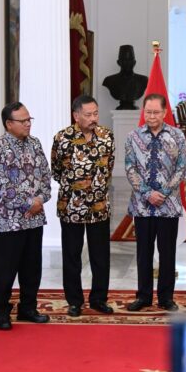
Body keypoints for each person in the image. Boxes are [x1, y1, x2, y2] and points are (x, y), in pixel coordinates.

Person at [0, 102, 52, 330]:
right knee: (5, 269)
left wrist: (40, 199)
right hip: (7, 221)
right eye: (22, 121)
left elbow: (46, 175)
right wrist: (27, 202)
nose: (27, 124)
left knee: (32, 268)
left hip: (34, 218)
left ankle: (28, 308)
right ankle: (2, 312)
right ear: (8, 124)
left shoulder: (35, 144)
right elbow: (1, 185)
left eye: (29, 119)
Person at [51, 95, 115, 317]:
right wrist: (76, 187)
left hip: (99, 205)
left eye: (95, 113)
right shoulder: (62, 138)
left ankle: (99, 299)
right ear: (76, 116)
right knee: (72, 255)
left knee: (101, 256)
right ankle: (74, 301)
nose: (93, 118)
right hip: (71, 206)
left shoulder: (107, 136)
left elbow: (109, 166)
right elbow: (56, 170)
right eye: (88, 115)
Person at [124, 93, 186, 312]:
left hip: (168, 205)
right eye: (148, 112)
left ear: (164, 112)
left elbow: (181, 168)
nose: (151, 116)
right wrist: (146, 192)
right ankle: (143, 296)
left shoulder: (177, 136)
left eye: (156, 112)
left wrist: (164, 192)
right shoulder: (133, 136)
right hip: (142, 206)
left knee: (167, 253)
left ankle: (166, 297)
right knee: (143, 253)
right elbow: (130, 167)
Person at [102, 45, 148, 110]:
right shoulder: (109, 80)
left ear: (134, 62)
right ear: (118, 62)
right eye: (124, 60)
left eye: (130, 60)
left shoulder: (143, 80)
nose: (127, 63)